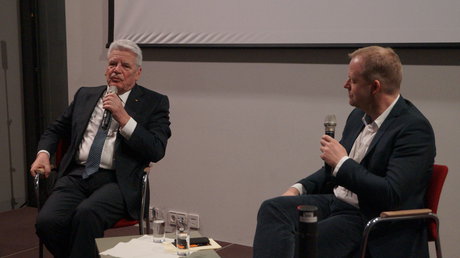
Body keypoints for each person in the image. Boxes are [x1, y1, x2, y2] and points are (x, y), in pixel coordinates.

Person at [253, 46, 436, 258]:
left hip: (370, 217)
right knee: (273, 210)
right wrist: (299, 188)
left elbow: (391, 194)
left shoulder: (413, 129)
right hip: (336, 203)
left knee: (303, 242)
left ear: (374, 87)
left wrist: (342, 162)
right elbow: (333, 169)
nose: (345, 85)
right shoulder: (357, 116)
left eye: (353, 80)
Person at [30, 39, 171, 257]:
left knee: (86, 215)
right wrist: (43, 154)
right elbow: (55, 130)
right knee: (47, 222)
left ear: (138, 72)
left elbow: (156, 149)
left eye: (125, 66)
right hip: (76, 176)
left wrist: (123, 117)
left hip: (118, 181)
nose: (117, 70)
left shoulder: (155, 102)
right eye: (113, 64)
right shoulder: (85, 95)